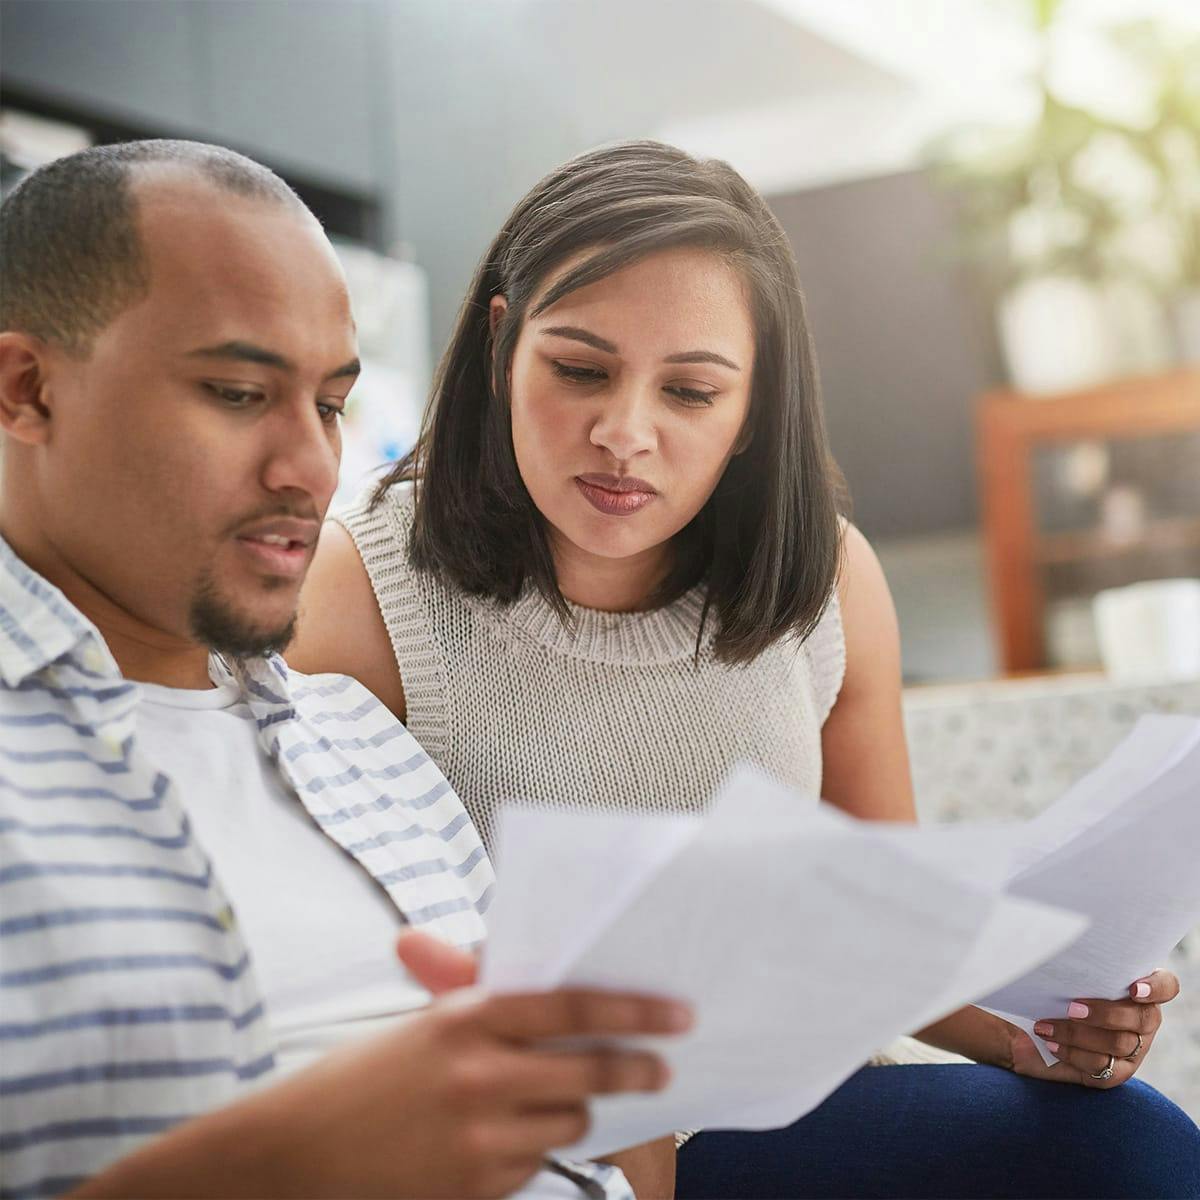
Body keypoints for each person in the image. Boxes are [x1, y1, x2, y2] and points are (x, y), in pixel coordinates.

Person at [291, 139, 1200, 1197]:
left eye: (691, 392)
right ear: (503, 345)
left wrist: (1029, 1030)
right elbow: (314, 987)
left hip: (773, 1117)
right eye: (580, 370)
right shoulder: (353, 594)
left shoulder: (825, 582)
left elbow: (875, 936)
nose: (624, 433)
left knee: (1127, 1145)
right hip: (515, 1139)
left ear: (752, 409)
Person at [0, 139, 695, 1200]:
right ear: (27, 389)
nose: (310, 466)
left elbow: (589, 1145)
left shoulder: (366, 745)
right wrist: (283, 1167)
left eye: (329, 405)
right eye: (237, 393)